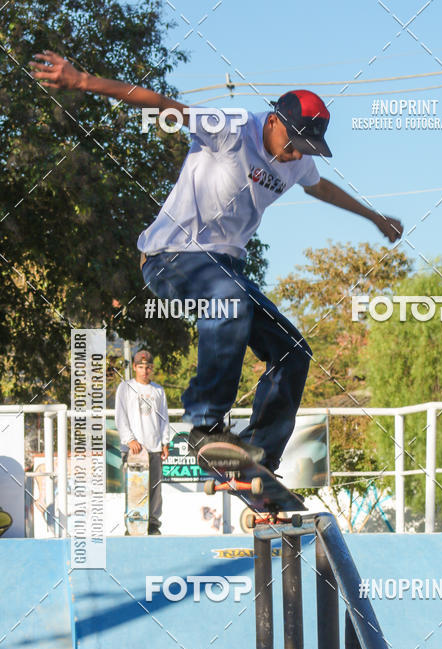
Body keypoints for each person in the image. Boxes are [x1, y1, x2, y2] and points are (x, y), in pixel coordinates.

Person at [32, 52, 404, 473]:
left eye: (305, 150)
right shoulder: (232, 127)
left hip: (226, 268)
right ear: (274, 120)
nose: (296, 156)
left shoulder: (299, 160)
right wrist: (82, 80)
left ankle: (260, 452)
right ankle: (206, 428)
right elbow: (160, 104)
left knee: (293, 350)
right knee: (229, 298)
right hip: (171, 257)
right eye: (293, 144)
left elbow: (322, 189)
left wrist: (373, 216)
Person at [115, 350, 170, 535]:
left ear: (151, 368)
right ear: (134, 367)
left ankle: (153, 524)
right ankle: (132, 523)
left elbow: (164, 418)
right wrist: (129, 439)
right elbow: (120, 416)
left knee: (154, 489)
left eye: (147, 367)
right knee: (134, 488)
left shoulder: (158, 390)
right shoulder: (125, 387)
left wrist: (165, 442)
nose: (144, 370)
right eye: (140, 367)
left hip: (153, 446)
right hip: (134, 449)